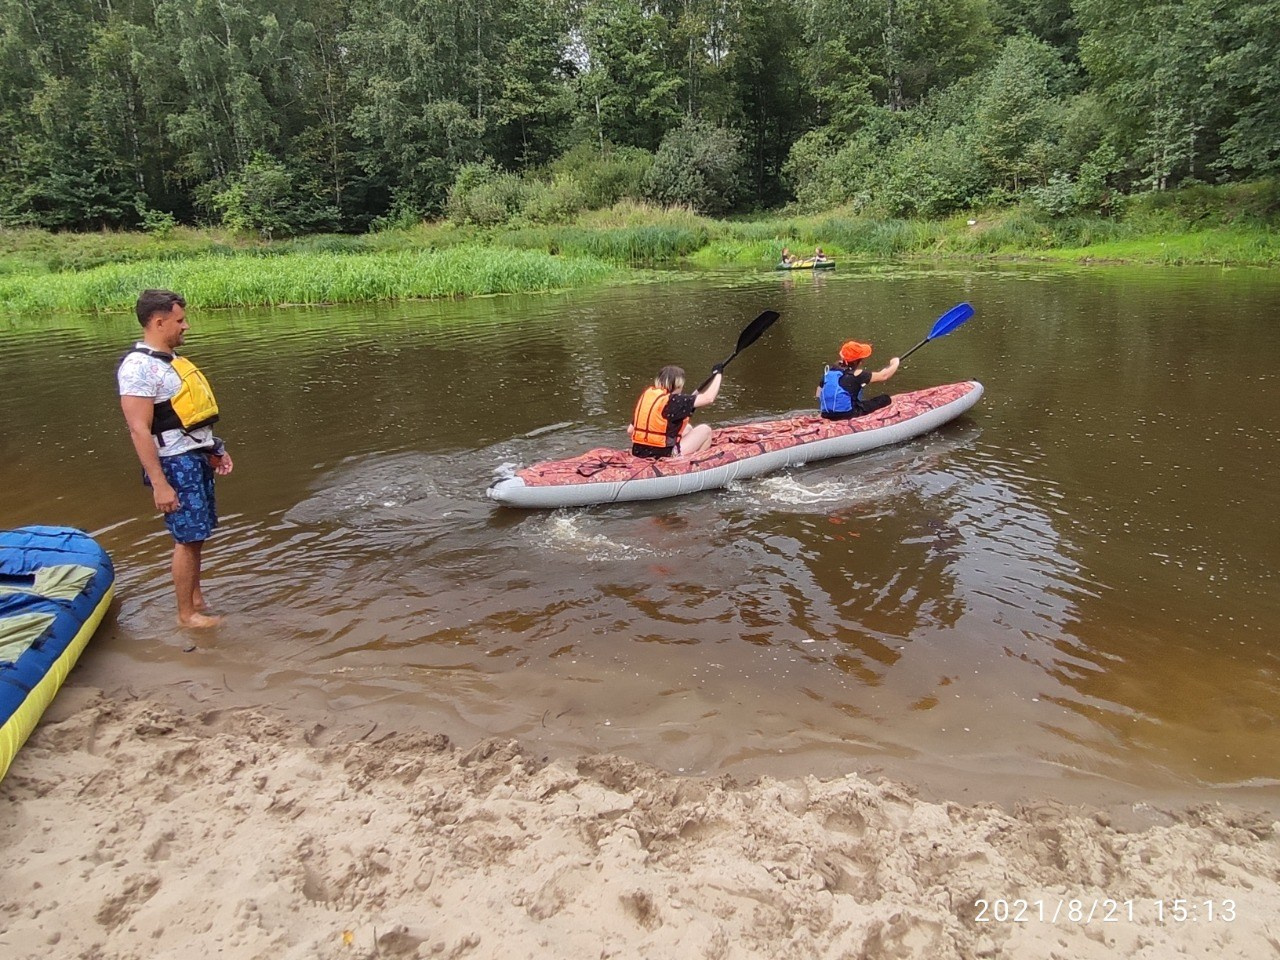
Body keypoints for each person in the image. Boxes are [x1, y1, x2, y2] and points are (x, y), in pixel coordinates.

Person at [118, 289, 233, 628]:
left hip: (193, 456)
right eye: (180, 320)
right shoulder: (138, 368)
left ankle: (196, 598)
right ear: (158, 321)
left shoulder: (171, 362)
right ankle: (187, 616)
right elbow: (140, 429)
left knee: (197, 533)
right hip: (173, 464)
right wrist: (160, 484)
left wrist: (215, 449)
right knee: (185, 538)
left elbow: (186, 418)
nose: (187, 326)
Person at [629, 364, 723, 458]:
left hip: (638, 452)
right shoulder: (674, 400)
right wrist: (718, 375)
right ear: (678, 385)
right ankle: (694, 464)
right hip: (663, 454)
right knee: (705, 430)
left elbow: (630, 430)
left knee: (688, 428)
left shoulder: (648, 397)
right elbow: (709, 398)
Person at [817, 340, 899, 420]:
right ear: (859, 361)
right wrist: (895, 362)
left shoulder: (829, 372)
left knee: (855, 393)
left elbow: (818, 393)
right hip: (848, 414)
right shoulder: (858, 374)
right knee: (885, 399)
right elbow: (884, 375)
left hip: (825, 414)